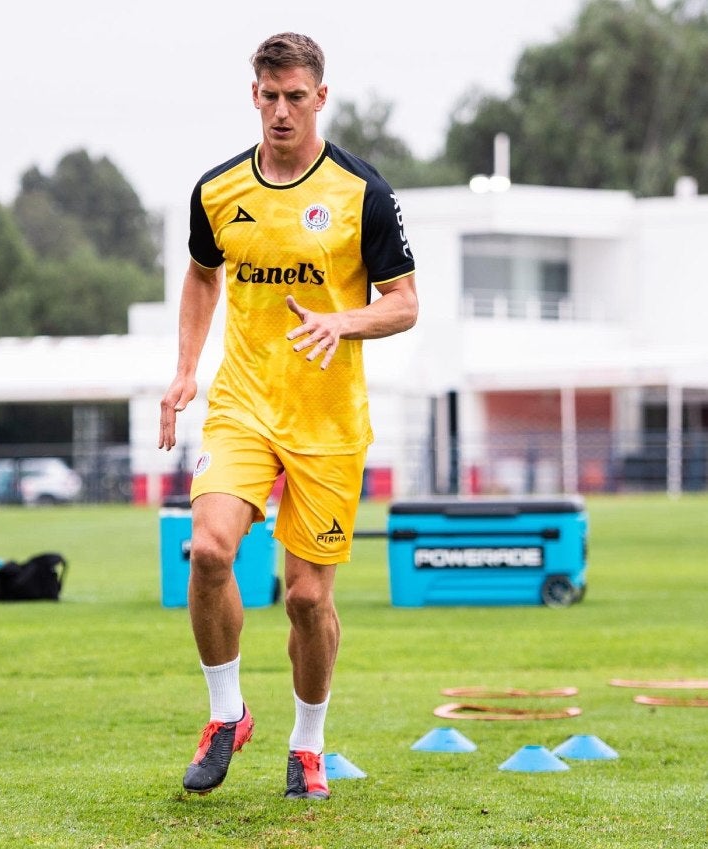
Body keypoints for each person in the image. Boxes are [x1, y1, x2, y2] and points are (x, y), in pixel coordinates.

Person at [158, 32, 417, 800]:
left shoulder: (362, 192)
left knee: (307, 598)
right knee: (208, 549)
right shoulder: (218, 190)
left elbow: (404, 304)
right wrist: (184, 370)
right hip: (243, 406)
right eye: (268, 95)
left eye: (294, 96)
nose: (280, 110)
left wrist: (344, 320)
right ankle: (226, 713)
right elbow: (203, 278)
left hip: (329, 421)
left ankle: (308, 745)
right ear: (254, 96)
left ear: (320, 98)